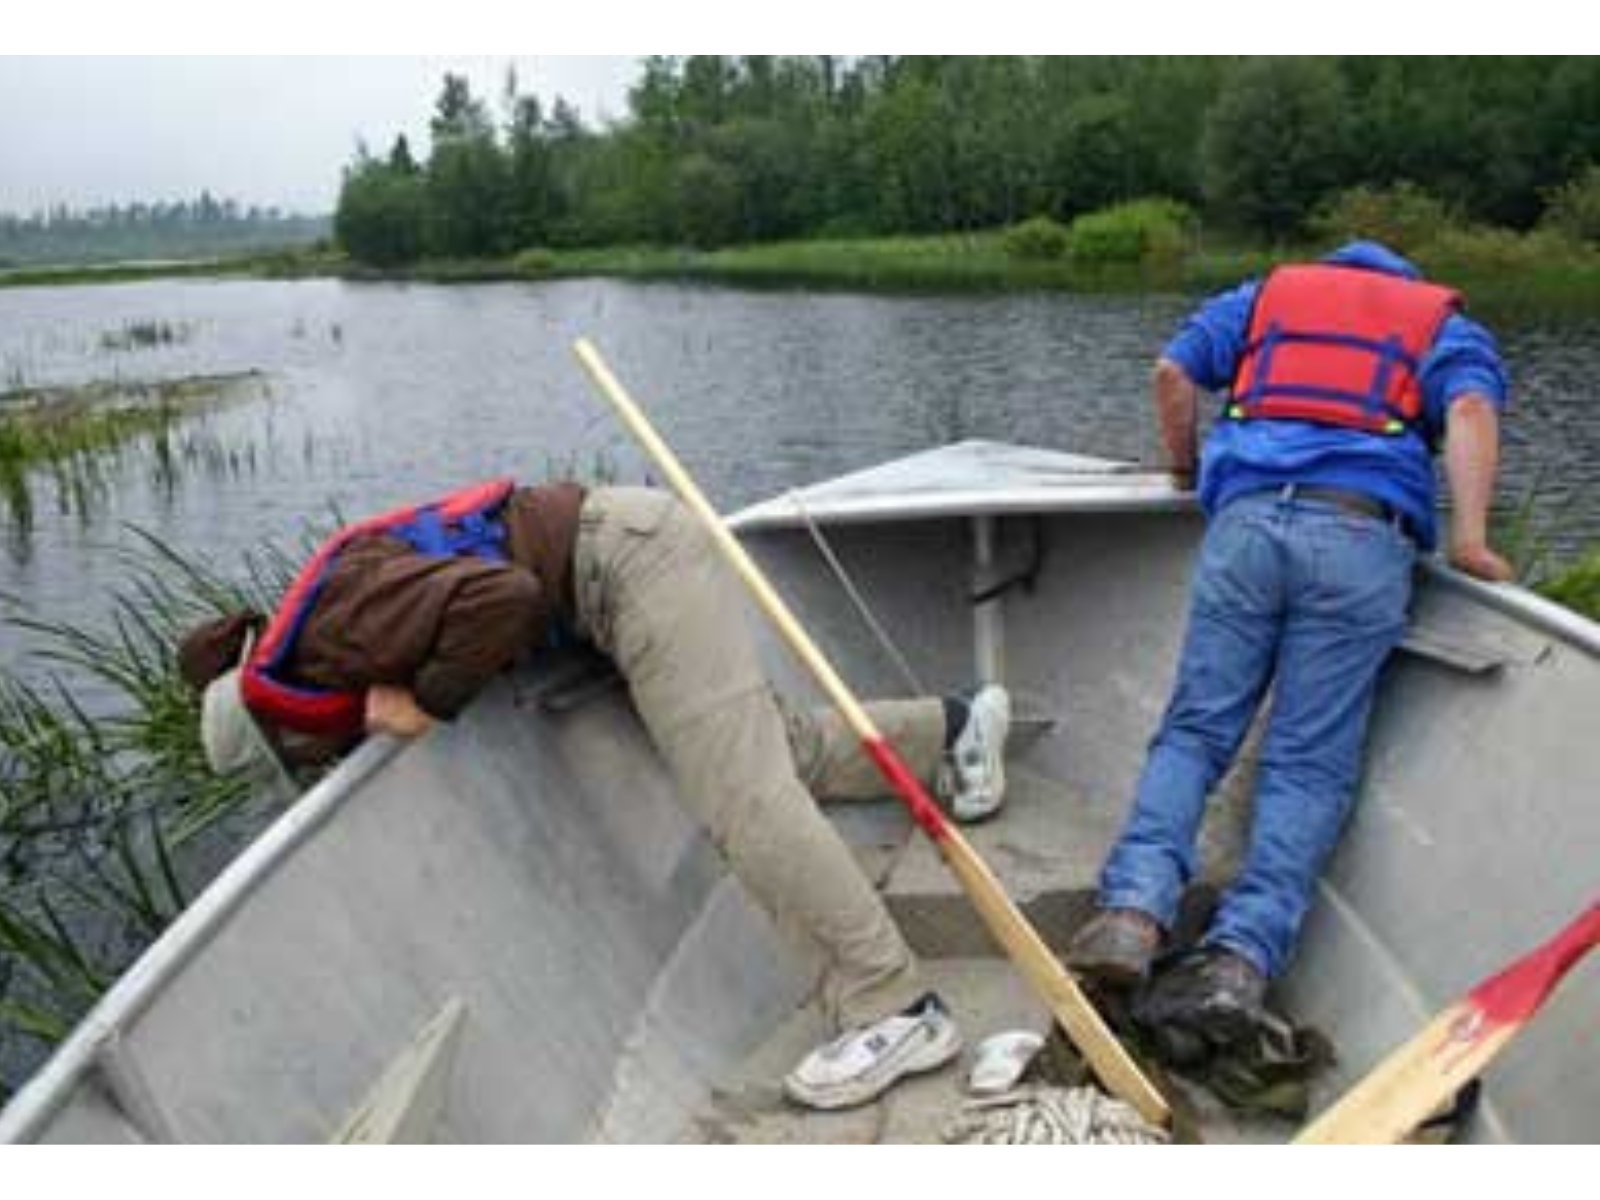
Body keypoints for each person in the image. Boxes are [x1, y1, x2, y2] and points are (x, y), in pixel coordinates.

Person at [178, 478, 1012, 1111]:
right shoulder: (317, 634)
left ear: (277, 725)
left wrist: (425, 700)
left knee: (743, 800)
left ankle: (894, 1010)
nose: (313, 758)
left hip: (627, 569)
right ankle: (955, 728)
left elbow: (502, 597)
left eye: (296, 756)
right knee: (774, 750)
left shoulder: (334, 632)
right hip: (612, 579)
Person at [1066, 240, 1512, 1041]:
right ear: (1404, 282)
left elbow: (1171, 374)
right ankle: (1240, 961)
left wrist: (1185, 469)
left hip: (1246, 528)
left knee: (1198, 731)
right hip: (1358, 538)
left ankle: (1131, 914)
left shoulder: (1266, 297)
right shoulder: (1439, 322)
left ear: (1330, 271)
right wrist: (1472, 542)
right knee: (1307, 762)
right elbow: (1472, 412)